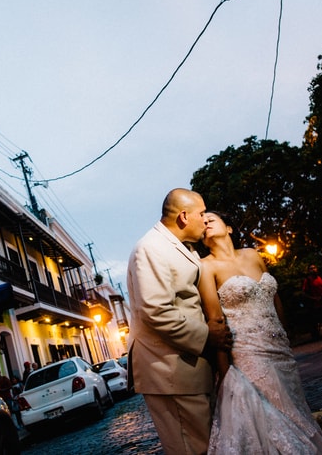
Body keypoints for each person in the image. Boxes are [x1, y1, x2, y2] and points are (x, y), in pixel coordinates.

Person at [197, 211, 322, 454]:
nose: (206, 222)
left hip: (280, 350)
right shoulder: (206, 267)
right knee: (273, 420)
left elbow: (274, 296)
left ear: (229, 228)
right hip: (248, 354)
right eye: (203, 222)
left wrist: (284, 335)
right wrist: (225, 373)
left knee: (296, 411)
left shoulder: (252, 254)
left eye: (211, 218)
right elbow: (215, 321)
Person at [127, 188, 233, 455]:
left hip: (187, 368)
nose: (205, 219)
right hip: (170, 370)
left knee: (206, 444)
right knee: (192, 448)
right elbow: (156, 310)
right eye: (201, 214)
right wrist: (208, 335)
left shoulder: (181, 246)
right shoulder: (151, 248)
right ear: (184, 217)